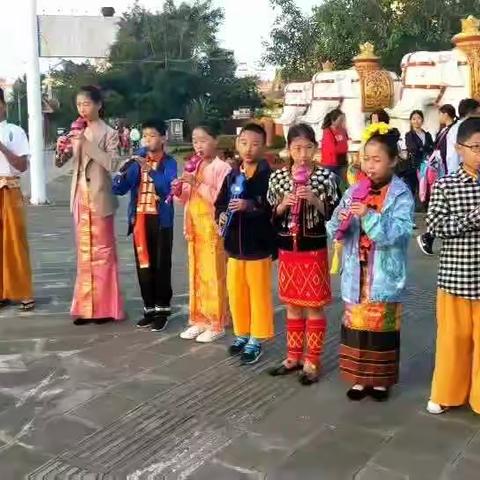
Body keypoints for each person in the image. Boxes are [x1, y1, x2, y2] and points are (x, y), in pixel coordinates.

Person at [327, 125, 414, 402]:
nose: (370, 165)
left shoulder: (401, 194)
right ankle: (358, 377)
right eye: (366, 159)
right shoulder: (354, 190)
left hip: (384, 273)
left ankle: (380, 380)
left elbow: (399, 233)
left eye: (377, 159)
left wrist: (368, 216)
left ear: (393, 160)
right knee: (355, 324)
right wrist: (342, 221)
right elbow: (333, 224)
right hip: (356, 269)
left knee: (382, 327)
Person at [267, 123, 337, 384]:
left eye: (308, 148)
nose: (303, 154)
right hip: (288, 248)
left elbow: (335, 214)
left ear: (316, 148)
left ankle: (312, 360)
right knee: (292, 305)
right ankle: (293, 356)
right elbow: (270, 215)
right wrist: (283, 205)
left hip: (313, 248)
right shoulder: (278, 178)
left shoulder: (325, 178)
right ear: (288, 149)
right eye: (297, 148)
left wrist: (316, 201)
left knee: (314, 307)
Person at [55, 85, 124, 325]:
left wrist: (86, 143)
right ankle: (85, 307)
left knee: (103, 252)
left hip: (100, 196)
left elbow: (113, 164)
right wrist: (61, 149)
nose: (82, 109)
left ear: (98, 105)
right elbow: (60, 163)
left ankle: (105, 308)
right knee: (84, 253)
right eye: (79, 105)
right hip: (80, 196)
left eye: (86, 104)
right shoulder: (76, 131)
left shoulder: (109, 133)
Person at [426, 116, 480, 416]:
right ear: (460, 149)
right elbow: (435, 226)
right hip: (457, 278)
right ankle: (446, 393)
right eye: (476, 148)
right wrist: (472, 218)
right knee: (452, 341)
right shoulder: (446, 185)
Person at [215, 123, 275, 365]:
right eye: (244, 143)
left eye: (255, 144)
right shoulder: (232, 175)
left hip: (257, 247)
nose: (249, 149)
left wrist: (250, 206)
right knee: (236, 292)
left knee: (258, 295)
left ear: (263, 147)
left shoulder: (268, 176)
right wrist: (219, 214)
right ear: (237, 144)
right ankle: (242, 333)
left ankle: (257, 339)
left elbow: (271, 206)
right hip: (234, 247)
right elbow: (220, 203)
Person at [112, 119, 177, 331]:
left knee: (161, 264)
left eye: (152, 135)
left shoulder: (170, 162)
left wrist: (148, 169)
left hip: (161, 220)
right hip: (140, 218)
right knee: (144, 265)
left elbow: (167, 188)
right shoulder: (137, 162)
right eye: (145, 136)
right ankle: (149, 309)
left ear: (163, 138)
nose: (148, 140)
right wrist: (122, 171)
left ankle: (162, 310)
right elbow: (119, 189)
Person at [174, 126, 231, 343]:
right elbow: (187, 198)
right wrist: (179, 189)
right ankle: (199, 319)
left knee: (213, 275)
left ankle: (217, 321)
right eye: (195, 141)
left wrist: (196, 183)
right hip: (195, 227)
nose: (198, 145)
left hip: (211, 228)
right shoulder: (195, 165)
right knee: (196, 274)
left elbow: (219, 199)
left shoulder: (222, 168)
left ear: (215, 141)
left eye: (203, 140)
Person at [0, 87, 34, 312]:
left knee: (14, 241)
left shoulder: (14, 131)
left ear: (4, 105)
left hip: (9, 189)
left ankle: (23, 291)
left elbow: (22, 165)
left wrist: (2, 148)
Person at [417, 104, 457, 256]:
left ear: (445, 114)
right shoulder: (445, 130)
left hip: (448, 172)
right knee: (446, 208)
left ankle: (429, 237)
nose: (439, 117)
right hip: (444, 172)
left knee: (447, 208)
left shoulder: (452, 129)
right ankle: (429, 236)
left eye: (440, 114)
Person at [403, 110, 434, 199]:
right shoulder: (409, 135)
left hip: (427, 166)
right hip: (414, 166)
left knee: (426, 187)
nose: (416, 121)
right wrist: (425, 149)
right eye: (414, 119)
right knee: (413, 187)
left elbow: (433, 148)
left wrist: (423, 149)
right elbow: (412, 148)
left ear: (422, 120)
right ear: (411, 121)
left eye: (419, 118)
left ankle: (424, 206)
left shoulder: (427, 135)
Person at [445, 98, 480, 175]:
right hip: (464, 174)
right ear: (470, 113)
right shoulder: (459, 129)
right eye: (478, 113)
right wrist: (454, 177)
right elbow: (453, 157)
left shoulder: (455, 128)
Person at [320, 108, 349, 186]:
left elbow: (346, 144)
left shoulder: (343, 130)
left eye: (343, 120)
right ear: (333, 120)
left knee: (342, 184)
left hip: (342, 162)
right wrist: (343, 149)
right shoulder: (328, 132)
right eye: (340, 120)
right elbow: (332, 149)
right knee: (331, 185)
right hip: (331, 164)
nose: (342, 122)